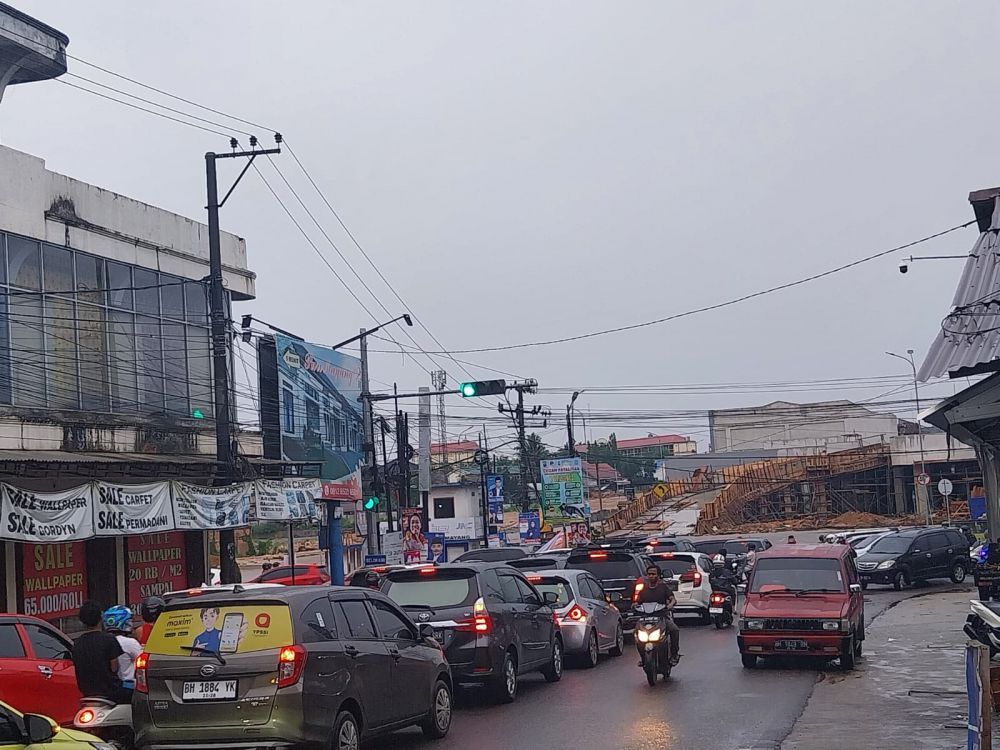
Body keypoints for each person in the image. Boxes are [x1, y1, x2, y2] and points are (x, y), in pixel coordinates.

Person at [71, 601, 125, 703]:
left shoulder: (77, 643)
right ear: (101, 618)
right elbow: (114, 668)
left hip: (86, 692)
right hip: (111, 691)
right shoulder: (109, 639)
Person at [635, 564, 680, 667]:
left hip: (662, 617)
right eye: (649, 574)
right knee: (636, 634)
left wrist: (670, 605)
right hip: (645, 619)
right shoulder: (644, 589)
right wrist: (635, 605)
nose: (651, 576)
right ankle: (643, 657)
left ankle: (674, 654)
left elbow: (672, 599)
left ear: (658, 576)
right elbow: (638, 602)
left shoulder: (663, 587)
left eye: (653, 574)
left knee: (674, 630)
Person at [102, 605, 142, 704]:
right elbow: (143, 660)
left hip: (107, 688)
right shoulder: (129, 643)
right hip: (127, 689)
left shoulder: (102, 641)